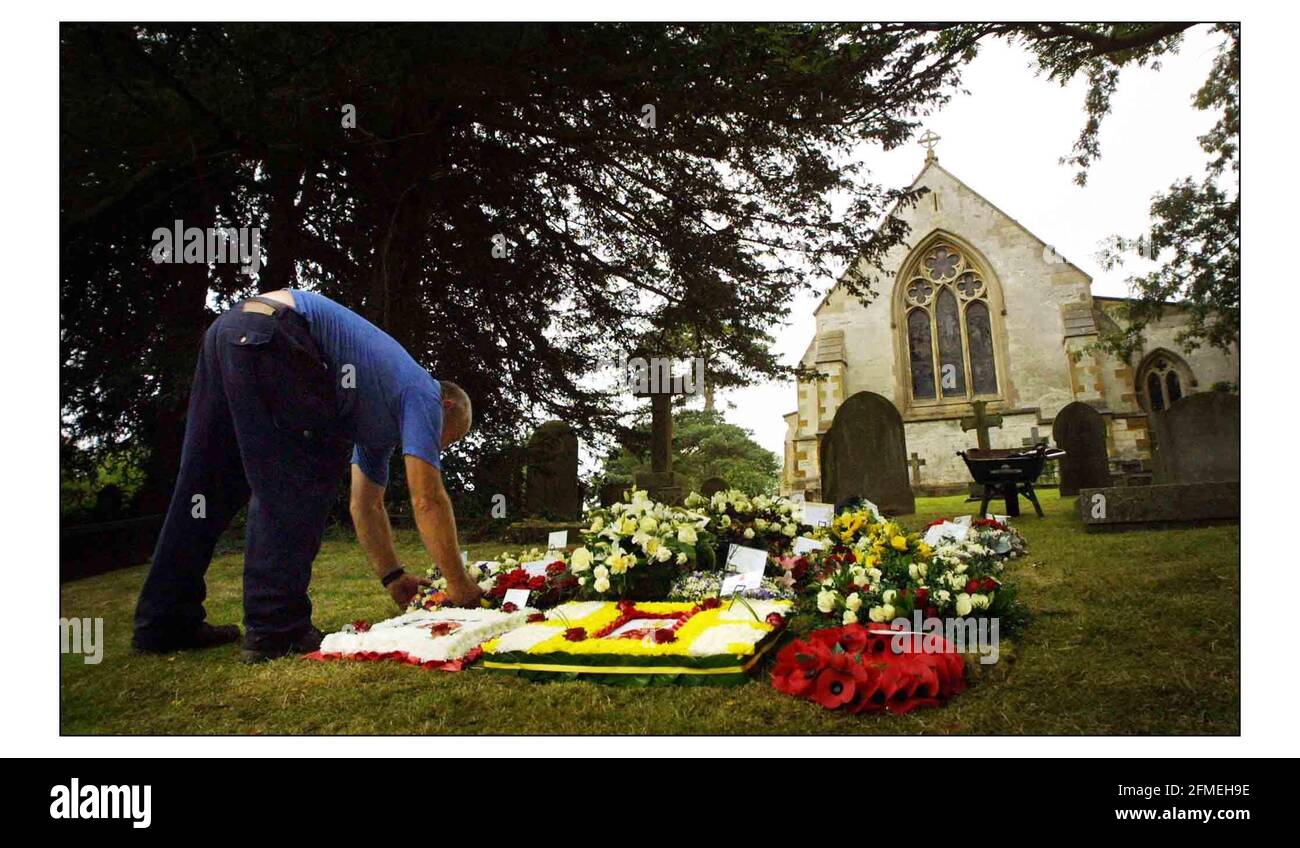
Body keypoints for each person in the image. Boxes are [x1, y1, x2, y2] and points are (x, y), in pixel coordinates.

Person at [132, 289, 482, 663]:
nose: (440, 448)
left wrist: (393, 577)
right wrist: (460, 585)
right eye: (450, 437)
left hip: (230, 332)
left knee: (207, 487)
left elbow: (365, 505)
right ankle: (276, 627)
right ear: (446, 406)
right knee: (296, 479)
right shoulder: (423, 393)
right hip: (275, 334)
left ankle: (166, 619)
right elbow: (426, 498)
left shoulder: (376, 421)